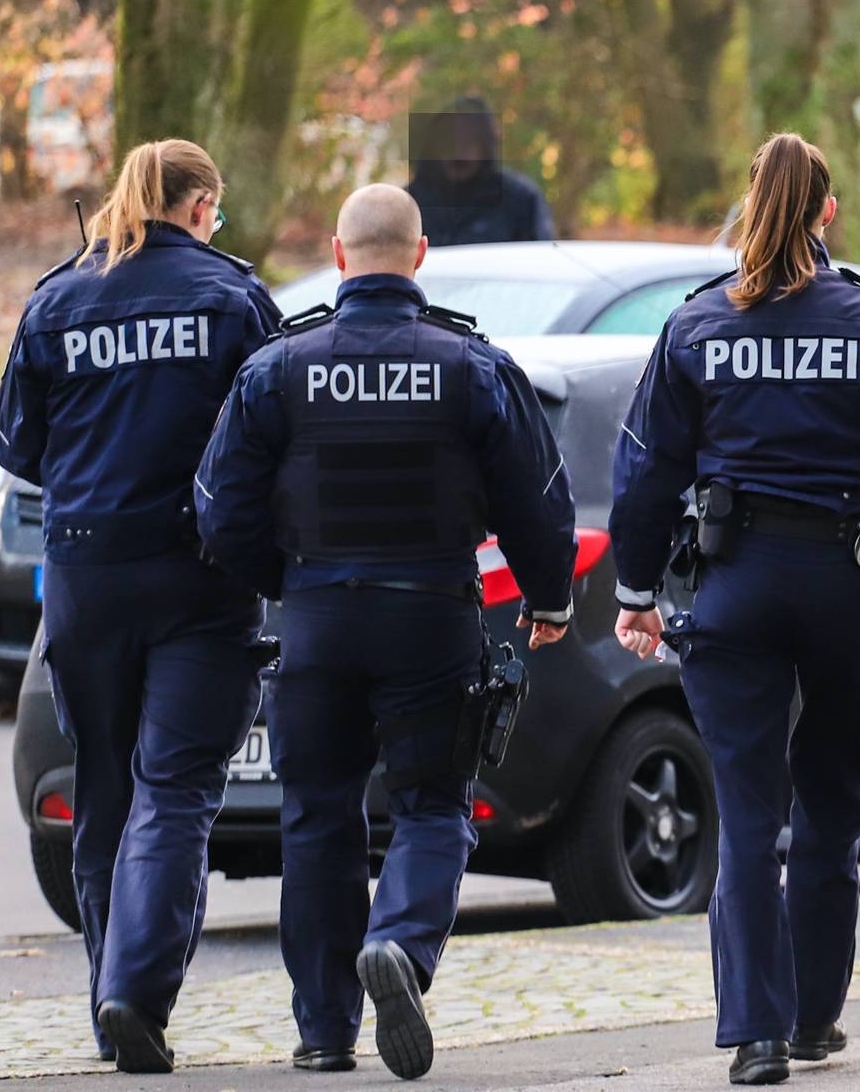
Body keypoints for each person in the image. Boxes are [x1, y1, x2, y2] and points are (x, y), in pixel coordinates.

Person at [608, 134, 860, 1086]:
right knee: (832, 792)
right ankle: (815, 1018)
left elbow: (644, 470)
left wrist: (636, 592)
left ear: (751, 205)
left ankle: (756, 1035)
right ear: (827, 213)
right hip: (847, 583)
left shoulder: (696, 327)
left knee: (749, 812)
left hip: (735, 582)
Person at [193, 183, 578, 1080]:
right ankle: (401, 947)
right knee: (434, 803)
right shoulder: (472, 364)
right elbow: (538, 500)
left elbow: (218, 509)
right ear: (419, 254)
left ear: (337, 255)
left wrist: (284, 581)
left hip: (317, 616)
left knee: (317, 818)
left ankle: (324, 1031)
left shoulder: (277, 368)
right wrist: (550, 600)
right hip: (431, 614)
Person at [0, 138, 281, 1073]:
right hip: (200, 576)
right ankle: (137, 993)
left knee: (106, 788)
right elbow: (273, 435)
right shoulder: (234, 299)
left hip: (86, 576)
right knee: (178, 791)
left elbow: (16, 447)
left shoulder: (57, 301)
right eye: (216, 211)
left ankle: (105, 1000)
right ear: (200, 208)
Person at [404, 95, 557, 246]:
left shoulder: (520, 201)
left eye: (469, 142)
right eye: (450, 141)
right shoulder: (409, 203)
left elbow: (539, 260)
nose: (459, 152)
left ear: (485, 147)